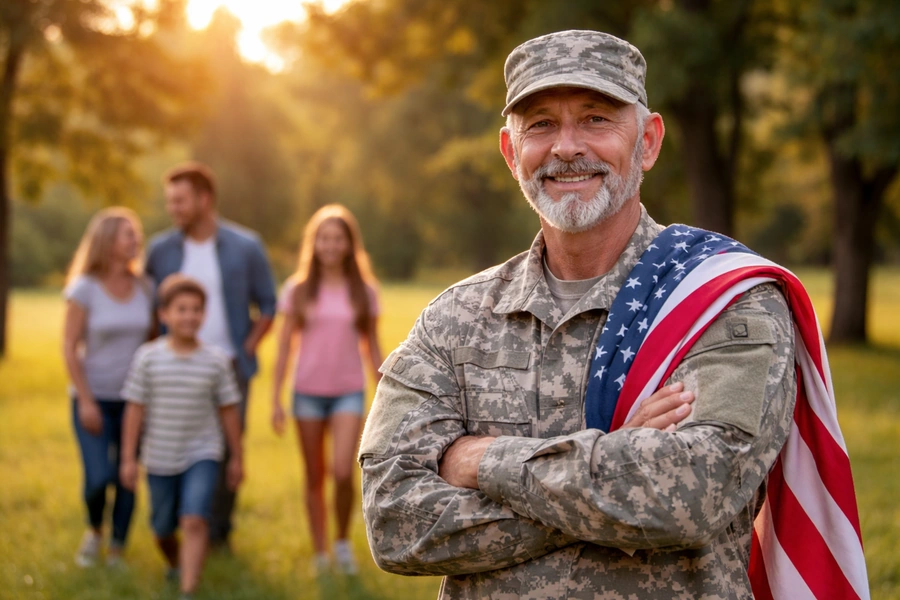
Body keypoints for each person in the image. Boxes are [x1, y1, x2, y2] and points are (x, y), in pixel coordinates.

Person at [358, 30, 867, 599]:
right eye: (541, 124)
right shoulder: (453, 319)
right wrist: (616, 457)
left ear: (647, 142)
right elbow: (394, 522)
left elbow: (690, 495)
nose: (566, 147)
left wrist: (481, 462)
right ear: (511, 153)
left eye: (596, 119)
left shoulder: (724, 302)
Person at [145, 161, 277, 549]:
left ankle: (218, 532)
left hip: (229, 367)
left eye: (180, 201)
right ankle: (181, 522)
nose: (173, 209)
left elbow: (269, 304)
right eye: (170, 201)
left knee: (228, 448)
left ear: (204, 200)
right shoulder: (160, 250)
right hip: (174, 367)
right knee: (176, 444)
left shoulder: (246, 246)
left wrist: (247, 347)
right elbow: (150, 309)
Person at [271, 204, 383, 575]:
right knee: (314, 475)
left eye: (337, 239)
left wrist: (386, 393)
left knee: (342, 471)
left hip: (347, 391)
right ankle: (320, 551)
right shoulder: (297, 289)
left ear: (349, 244)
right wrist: (275, 399)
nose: (331, 246)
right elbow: (284, 346)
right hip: (306, 392)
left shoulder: (364, 291)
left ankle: (341, 543)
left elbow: (373, 346)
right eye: (324, 239)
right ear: (314, 243)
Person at [119, 274, 243, 600]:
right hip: (159, 455)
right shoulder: (147, 357)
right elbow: (134, 410)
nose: (189, 316)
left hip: (203, 452)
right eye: (181, 309)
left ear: (204, 314)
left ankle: (188, 590)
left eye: (196, 309)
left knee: (194, 520)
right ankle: (175, 563)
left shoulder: (216, 360)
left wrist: (237, 458)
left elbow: (229, 412)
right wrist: (128, 458)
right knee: (162, 529)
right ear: (164, 314)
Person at [62, 207, 154, 568]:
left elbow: (151, 342)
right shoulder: (84, 288)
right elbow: (69, 346)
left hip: (135, 401)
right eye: (128, 233)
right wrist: (85, 400)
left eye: (137, 233)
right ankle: (94, 530)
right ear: (107, 240)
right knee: (99, 476)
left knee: (127, 474)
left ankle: (117, 547)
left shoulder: (145, 287)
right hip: (94, 398)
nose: (136, 240)